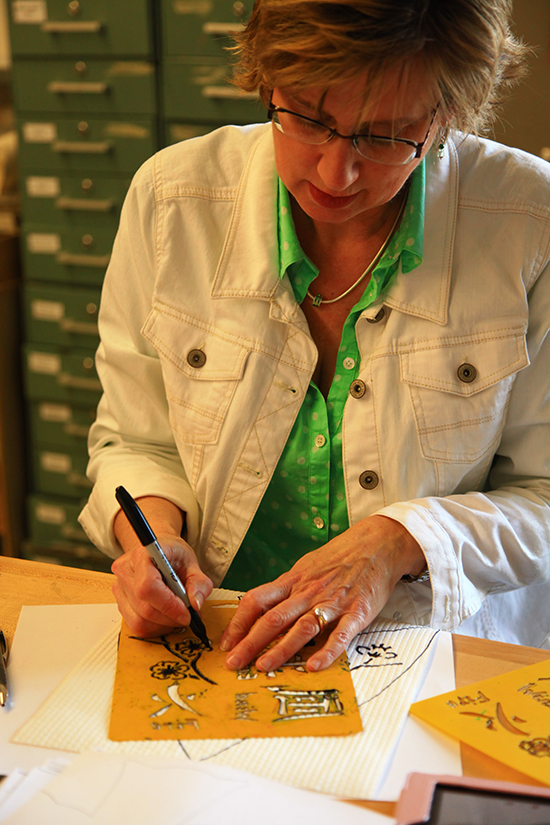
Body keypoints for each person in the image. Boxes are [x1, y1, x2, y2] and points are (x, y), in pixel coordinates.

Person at [79, 0, 550, 674]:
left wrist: (397, 541)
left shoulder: (530, 223)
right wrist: (150, 536)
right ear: (267, 80)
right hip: (221, 640)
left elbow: (545, 496)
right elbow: (134, 439)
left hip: (433, 656)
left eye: (386, 136)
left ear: (448, 115)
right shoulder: (172, 202)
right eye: (307, 118)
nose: (335, 173)